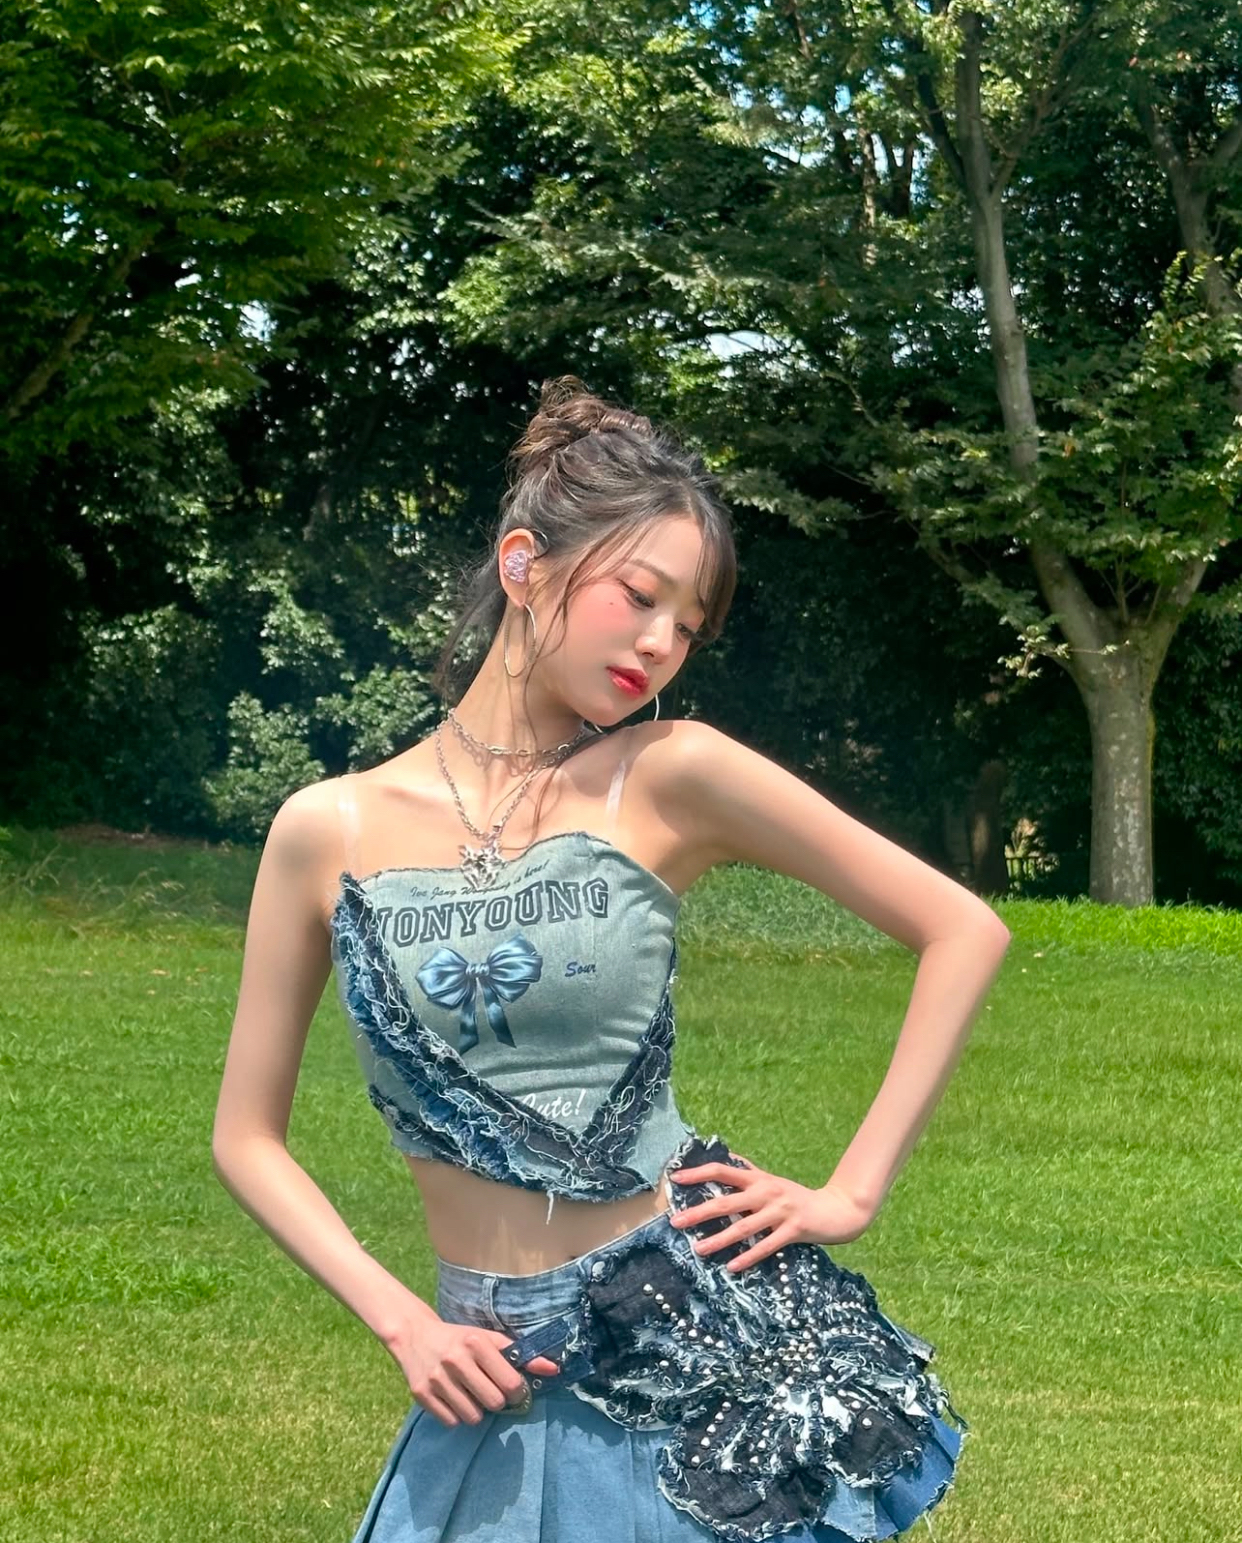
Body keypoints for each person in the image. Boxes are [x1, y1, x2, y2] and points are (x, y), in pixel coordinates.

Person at [212, 375, 1012, 1543]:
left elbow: (963, 927)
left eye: (688, 625)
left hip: (688, 1351)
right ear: (523, 563)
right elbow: (245, 1135)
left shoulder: (671, 773)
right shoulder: (324, 830)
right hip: (480, 1372)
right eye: (640, 596)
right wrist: (402, 1321)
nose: (660, 644)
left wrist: (849, 1191)